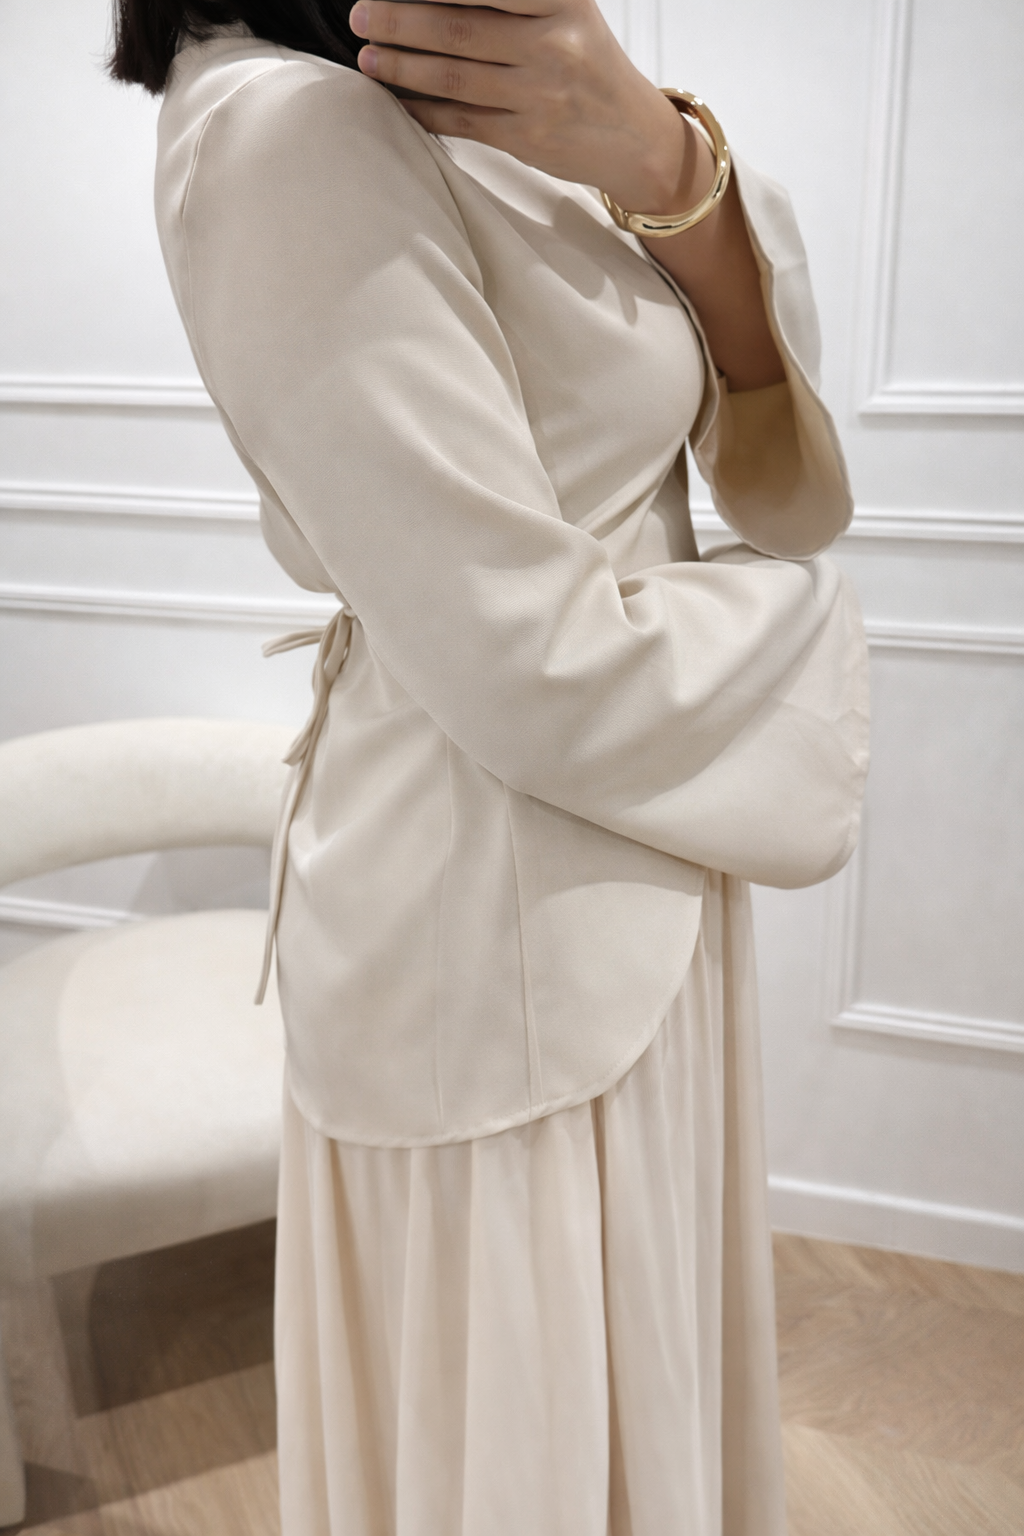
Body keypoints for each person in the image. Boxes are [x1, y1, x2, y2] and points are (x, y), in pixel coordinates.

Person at [110, 1, 869, 1531]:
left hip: (631, 853)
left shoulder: (486, 83)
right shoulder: (286, 133)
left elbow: (763, 466)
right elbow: (527, 656)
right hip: (497, 914)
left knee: (626, 1403)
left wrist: (665, 160)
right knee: (525, 1442)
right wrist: (816, 626)